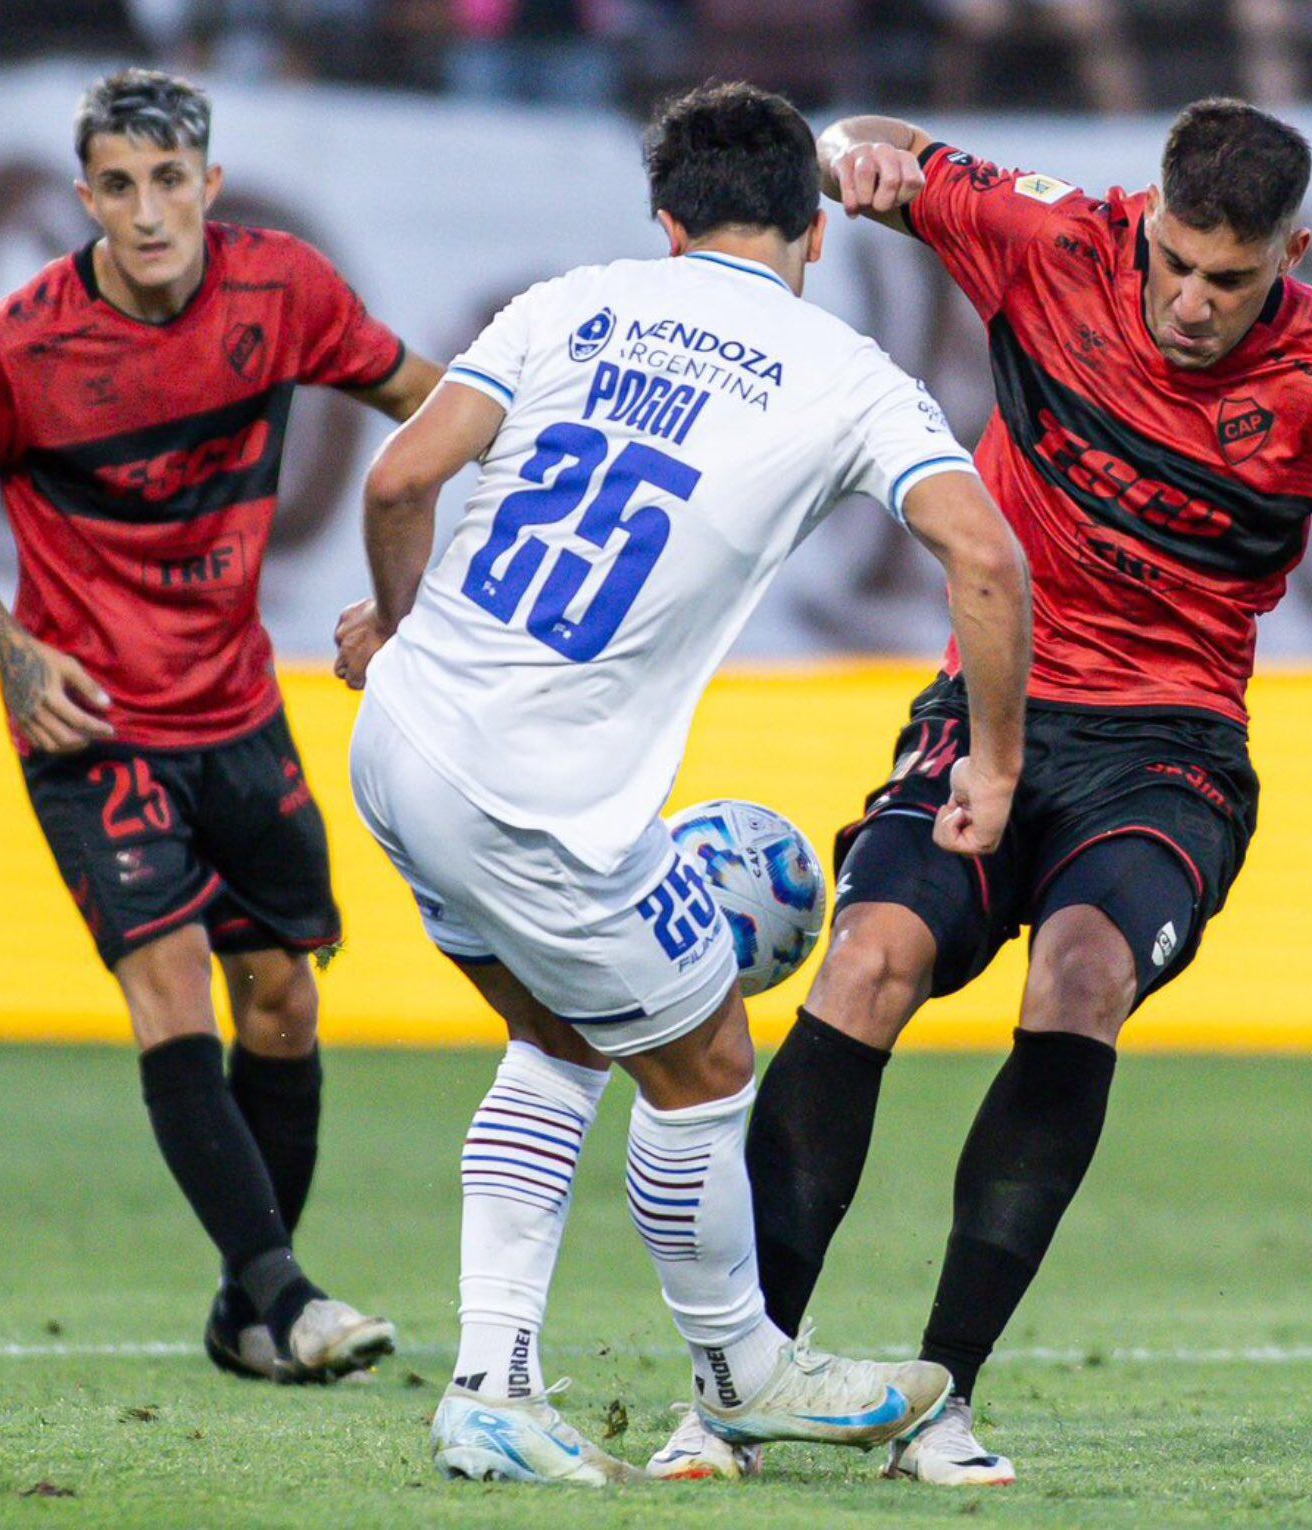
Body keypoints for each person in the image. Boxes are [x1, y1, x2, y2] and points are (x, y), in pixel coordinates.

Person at [697, 97, 1312, 1487]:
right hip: (990, 709)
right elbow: (852, 144)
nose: (1194, 302)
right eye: (1179, 263)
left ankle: (939, 1396)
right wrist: (852, 153)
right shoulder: (1050, 239)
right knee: (872, 956)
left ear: (1294, 254)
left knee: (1077, 981)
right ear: (1146, 214)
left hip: (1171, 753)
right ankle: (735, 1384)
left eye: (1233, 279)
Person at [333, 81, 1032, 1485]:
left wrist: (402, 629)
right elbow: (989, 561)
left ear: (666, 223)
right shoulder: (845, 373)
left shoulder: (567, 303)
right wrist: (999, 765)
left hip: (402, 748)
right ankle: (743, 1366)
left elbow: (401, 480)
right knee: (708, 1064)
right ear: (814, 232)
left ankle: (492, 1383)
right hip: (541, 800)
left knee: (563, 1040)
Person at [0, 68, 441, 1382]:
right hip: (92, 721)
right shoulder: (17, 347)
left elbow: (431, 404)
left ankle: (245, 1308)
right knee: (169, 980)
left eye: (170, 181)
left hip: (239, 708)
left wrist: (416, 594)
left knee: (284, 1004)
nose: (148, 212)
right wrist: (12, 652)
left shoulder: (285, 290)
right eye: (119, 186)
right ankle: (294, 1296)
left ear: (211, 184)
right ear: (84, 196)